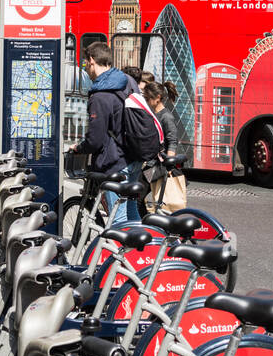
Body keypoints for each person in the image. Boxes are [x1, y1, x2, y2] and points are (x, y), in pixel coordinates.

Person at [73, 41, 143, 225]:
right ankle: (143, 251)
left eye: (85, 64)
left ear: (92, 61)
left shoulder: (101, 95)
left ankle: (121, 253)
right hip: (134, 157)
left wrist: (79, 148)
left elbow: (95, 140)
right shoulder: (128, 81)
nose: (86, 69)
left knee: (117, 220)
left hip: (116, 163)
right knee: (131, 210)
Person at [143, 81, 187, 210]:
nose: (146, 100)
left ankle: (143, 224)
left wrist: (169, 165)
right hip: (151, 164)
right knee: (138, 196)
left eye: (147, 98)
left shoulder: (166, 117)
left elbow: (172, 141)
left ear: (157, 98)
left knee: (138, 195)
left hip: (157, 167)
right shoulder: (154, 114)